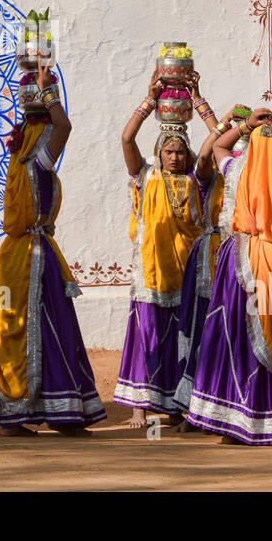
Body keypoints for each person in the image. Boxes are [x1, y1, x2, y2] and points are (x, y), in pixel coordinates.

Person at [0, 64, 106, 435]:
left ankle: (18, 415)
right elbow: (64, 127)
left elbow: (57, 128)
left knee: (19, 327)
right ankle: (54, 412)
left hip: (18, 257)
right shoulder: (38, 159)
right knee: (48, 327)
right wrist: (49, 89)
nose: (53, 137)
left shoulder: (22, 159)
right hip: (31, 258)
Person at [183, 111, 272, 444]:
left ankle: (236, 424)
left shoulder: (237, 171)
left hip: (241, 261)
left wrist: (246, 125)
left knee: (240, 338)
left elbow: (218, 147)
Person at [114, 72, 218, 427]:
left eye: (179, 152)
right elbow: (127, 138)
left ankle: (174, 406)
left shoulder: (197, 180)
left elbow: (216, 145)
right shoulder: (145, 176)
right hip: (151, 272)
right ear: (159, 153)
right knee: (146, 338)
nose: (174, 157)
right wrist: (148, 102)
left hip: (186, 272)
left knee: (181, 340)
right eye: (168, 151)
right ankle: (139, 408)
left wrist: (200, 102)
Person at [173, 100, 250, 416]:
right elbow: (207, 153)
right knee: (202, 325)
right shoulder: (211, 176)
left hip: (243, 256)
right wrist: (225, 119)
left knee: (233, 329)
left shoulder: (249, 176)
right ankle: (193, 404)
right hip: (209, 260)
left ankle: (228, 401)